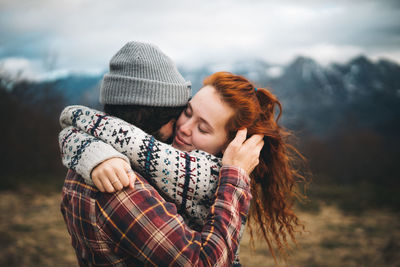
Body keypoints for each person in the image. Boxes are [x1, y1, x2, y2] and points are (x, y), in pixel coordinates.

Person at [60, 71, 307, 262]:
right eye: (187, 112)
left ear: (229, 146)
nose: (185, 128)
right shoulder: (129, 175)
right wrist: (94, 153)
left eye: (203, 128)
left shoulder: (209, 187)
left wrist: (235, 176)